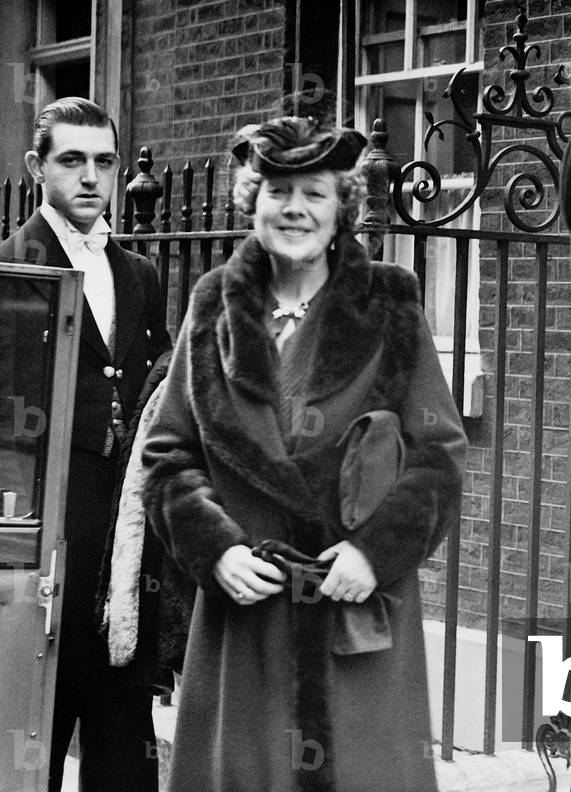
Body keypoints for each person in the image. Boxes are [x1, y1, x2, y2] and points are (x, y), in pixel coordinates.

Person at [141, 116, 467, 792]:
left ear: (341, 207)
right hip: (245, 620)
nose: (295, 209)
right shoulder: (213, 305)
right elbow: (168, 455)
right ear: (252, 200)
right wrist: (216, 549)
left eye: (315, 193)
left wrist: (373, 553)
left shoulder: (390, 303)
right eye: (278, 191)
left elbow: (438, 456)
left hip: (354, 615)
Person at [0, 97, 172, 791]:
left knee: (123, 743)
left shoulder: (139, 275)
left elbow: (156, 393)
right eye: (72, 160)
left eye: (104, 161)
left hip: (121, 550)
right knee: (26, 745)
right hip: (40, 539)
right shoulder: (11, 271)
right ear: (36, 166)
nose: (91, 177)